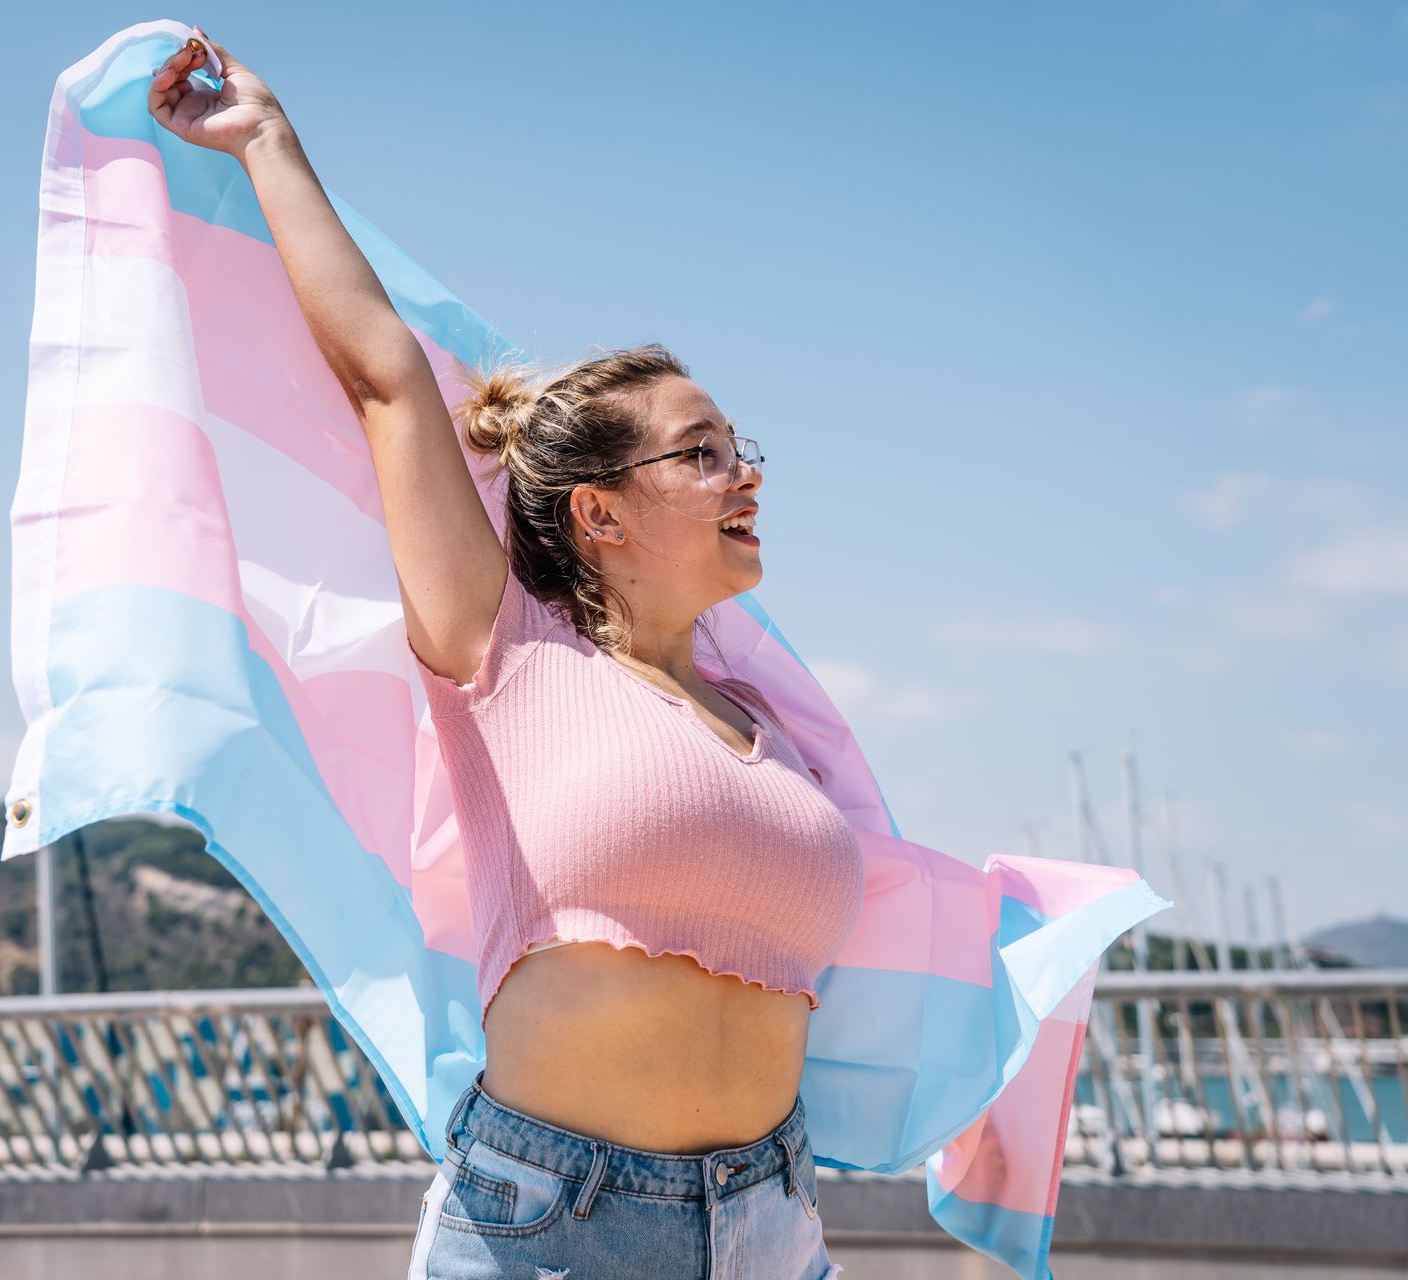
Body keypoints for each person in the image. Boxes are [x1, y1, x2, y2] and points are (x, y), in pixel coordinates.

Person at [151, 33, 848, 1280]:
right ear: (600, 511)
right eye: (702, 452)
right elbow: (387, 380)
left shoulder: (773, 726)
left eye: (742, 449)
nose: (745, 474)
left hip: (773, 1224)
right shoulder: (509, 654)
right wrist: (264, 138)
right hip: (555, 1229)